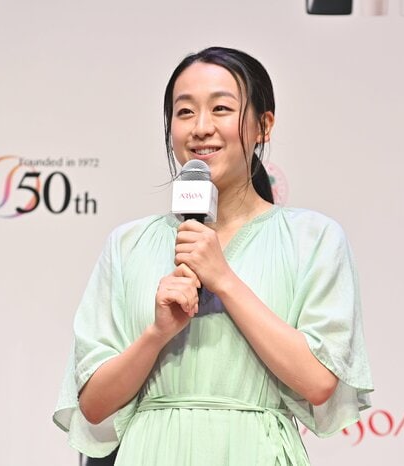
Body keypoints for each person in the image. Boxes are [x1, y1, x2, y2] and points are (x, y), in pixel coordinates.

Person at [53, 46, 373, 465]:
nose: (201, 128)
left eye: (221, 108)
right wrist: (157, 334)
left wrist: (223, 279)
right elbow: (94, 405)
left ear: (264, 125)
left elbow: (318, 382)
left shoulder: (313, 238)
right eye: (185, 112)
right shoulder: (127, 244)